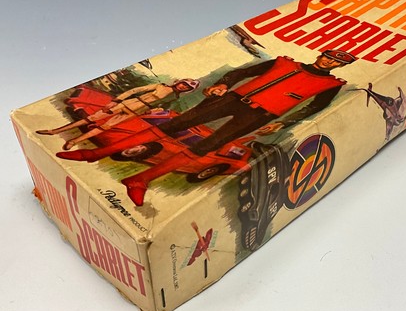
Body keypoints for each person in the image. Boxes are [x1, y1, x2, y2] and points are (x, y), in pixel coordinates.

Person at [58, 50, 357, 205]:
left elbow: (315, 108)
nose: (329, 62)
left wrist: (284, 121)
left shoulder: (331, 84)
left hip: (260, 115)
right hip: (232, 99)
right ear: (321, 55)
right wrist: (222, 84)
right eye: (328, 57)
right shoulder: (283, 62)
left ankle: (140, 180)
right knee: (175, 125)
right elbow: (240, 73)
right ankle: (95, 154)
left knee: (209, 146)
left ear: (339, 66)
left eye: (335, 62)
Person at [37, 79, 200, 149]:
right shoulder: (160, 86)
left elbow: (163, 108)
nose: (183, 87)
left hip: (137, 111)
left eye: (187, 87)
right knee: (91, 118)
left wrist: (150, 111)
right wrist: (115, 101)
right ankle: (54, 131)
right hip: (126, 103)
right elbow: (134, 90)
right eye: (183, 84)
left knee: (105, 127)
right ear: (179, 82)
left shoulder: (174, 98)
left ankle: (73, 141)